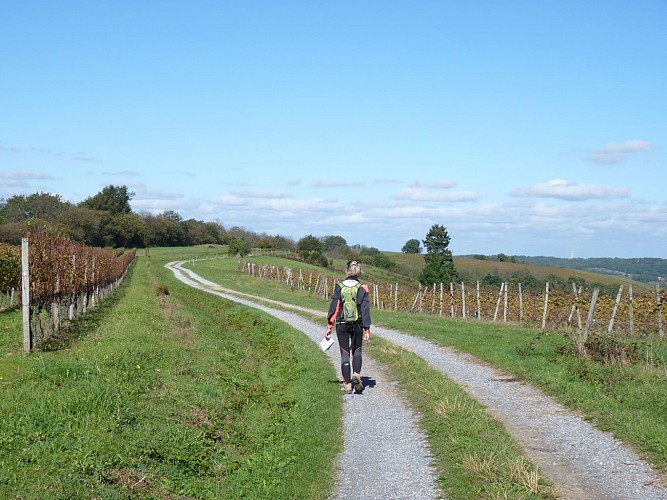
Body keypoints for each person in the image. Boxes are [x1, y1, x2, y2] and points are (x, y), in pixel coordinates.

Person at [325, 260, 371, 393]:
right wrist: (367, 329)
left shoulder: (339, 286)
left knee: (344, 353)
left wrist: (329, 326)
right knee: (357, 350)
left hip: (341, 323)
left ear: (346, 270)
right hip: (357, 324)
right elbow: (365, 309)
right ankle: (356, 374)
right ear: (359, 271)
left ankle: (347, 385)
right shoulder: (363, 287)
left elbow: (335, 307)